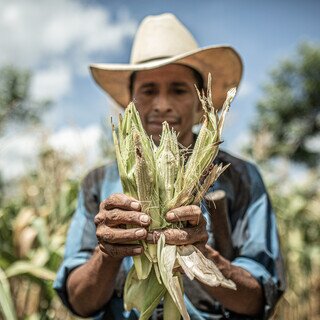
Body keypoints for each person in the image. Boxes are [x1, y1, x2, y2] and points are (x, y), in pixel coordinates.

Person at [54, 13, 285, 320]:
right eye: (149, 91)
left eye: (178, 90)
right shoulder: (98, 182)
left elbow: (260, 299)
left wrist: (201, 255)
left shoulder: (241, 178)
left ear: (201, 103)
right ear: (131, 103)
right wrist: (108, 253)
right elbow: (79, 300)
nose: (162, 104)